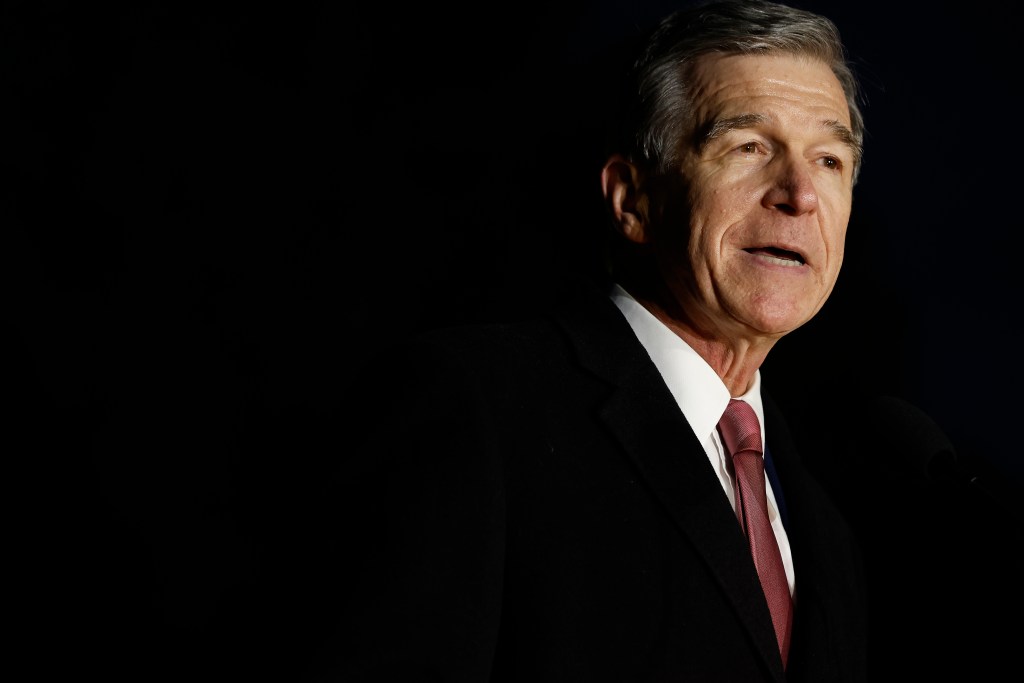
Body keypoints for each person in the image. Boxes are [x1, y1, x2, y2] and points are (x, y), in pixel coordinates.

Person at [322, 1, 869, 681]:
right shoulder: (475, 406)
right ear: (632, 200)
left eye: (829, 159)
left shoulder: (826, 518)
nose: (800, 194)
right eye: (748, 146)